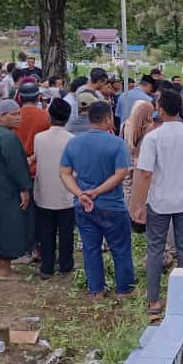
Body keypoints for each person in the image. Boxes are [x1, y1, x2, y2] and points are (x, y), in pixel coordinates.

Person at [132, 89, 183, 314]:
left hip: (159, 201)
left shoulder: (153, 138)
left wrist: (138, 204)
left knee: (155, 249)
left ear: (160, 110)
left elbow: (145, 174)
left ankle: (154, 301)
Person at [60, 101, 132, 297]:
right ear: (108, 119)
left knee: (91, 249)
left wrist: (80, 193)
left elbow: (65, 173)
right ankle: (124, 289)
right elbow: (121, 174)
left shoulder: (73, 142)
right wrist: (98, 191)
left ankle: (96, 290)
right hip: (112, 206)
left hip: (84, 206)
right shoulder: (116, 143)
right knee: (120, 248)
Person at [0, 100, 34, 281]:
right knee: (9, 227)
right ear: (2, 116)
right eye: (13, 115)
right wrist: (24, 188)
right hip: (7, 189)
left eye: (19, 114)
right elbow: (16, 166)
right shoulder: (9, 138)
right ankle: (5, 271)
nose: (18, 118)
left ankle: (0, 264)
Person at [34, 99, 76, 279]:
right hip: (66, 192)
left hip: (44, 192)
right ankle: (65, 266)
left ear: (49, 116)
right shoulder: (72, 140)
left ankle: (47, 267)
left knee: (46, 231)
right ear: (67, 118)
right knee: (66, 232)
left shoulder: (39, 138)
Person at [122, 100, 156, 228]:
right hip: (142, 162)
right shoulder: (150, 128)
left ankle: (129, 216)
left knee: (128, 190)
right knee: (144, 192)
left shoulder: (126, 124)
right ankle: (142, 218)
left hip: (129, 160)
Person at [17, 81, 50, 176]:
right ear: (38, 97)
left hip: (18, 166)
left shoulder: (12, 116)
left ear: (19, 98)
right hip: (40, 167)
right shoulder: (46, 115)